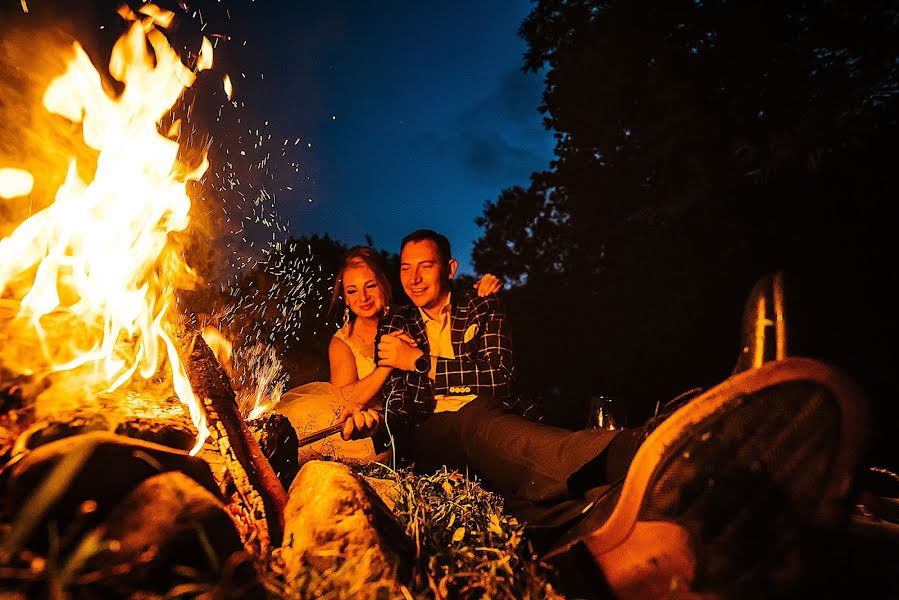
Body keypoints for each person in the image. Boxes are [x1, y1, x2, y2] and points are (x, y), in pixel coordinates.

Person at [362, 229, 870, 597]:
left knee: (528, 461)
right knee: (482, 426)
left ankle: (682, 495)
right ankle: (658, 441)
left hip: (495, 420)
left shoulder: (483, 305)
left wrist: (422, 362)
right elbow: (405, 401)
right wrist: (412, 373)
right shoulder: (397, 322)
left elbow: (497, 376)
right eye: (405, 268)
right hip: (437, 435)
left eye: (424, 265)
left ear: (449, 268)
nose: (413, 277)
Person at [275, 246, 500, 465]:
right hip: (368, 422)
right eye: (352, 291)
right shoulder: (342, 340)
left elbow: (442, 309)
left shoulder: (409, 317)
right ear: (344, 297)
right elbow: (345, 398)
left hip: (419, 420)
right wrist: (388, 363)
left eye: (370, 286)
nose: (363, 297)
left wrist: (477, 291)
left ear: (383, 284)